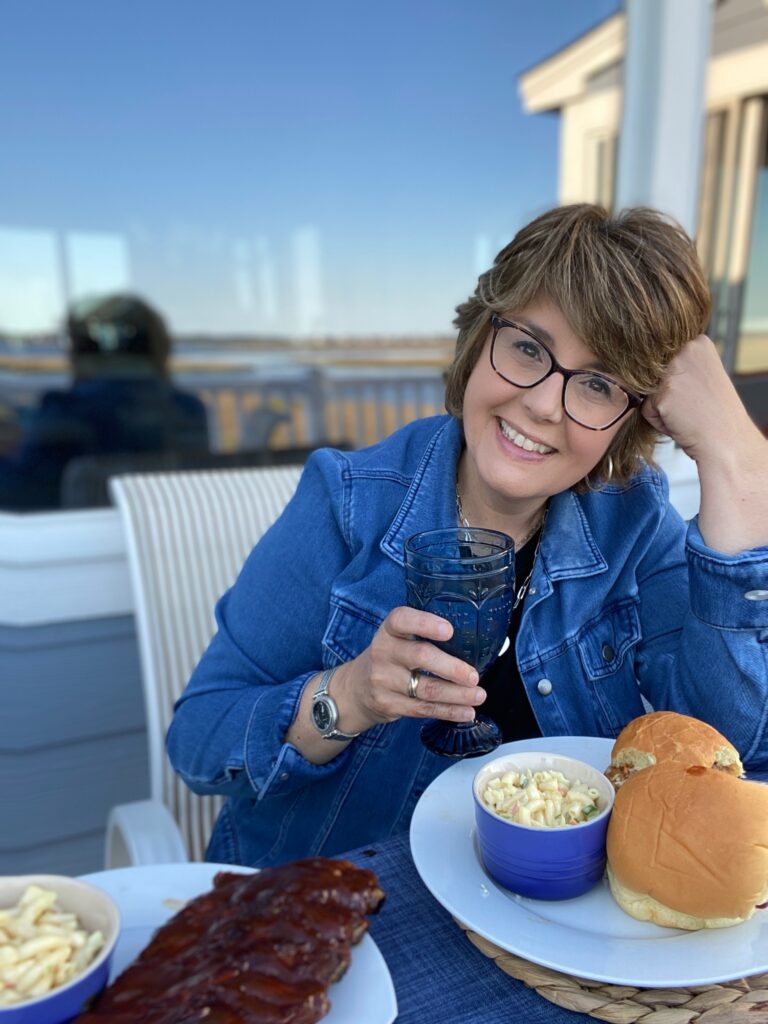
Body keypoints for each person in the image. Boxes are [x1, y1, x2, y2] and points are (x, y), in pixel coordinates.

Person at [167, 204, 768, 868]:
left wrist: (736, 460)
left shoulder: (633, 521)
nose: (542, 403)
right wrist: (352, 694)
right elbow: (197, 742)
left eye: (598, 384)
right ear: (482, 338)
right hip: (333, 895)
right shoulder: (347, 502)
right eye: (528, 348)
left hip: (543, 904)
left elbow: (730, 759)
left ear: (630, 419)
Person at [0, 294, 209, 510]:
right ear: (159, 348)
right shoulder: (189, 409)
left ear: (81, 352)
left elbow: (22, 494)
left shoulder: (66, 410)